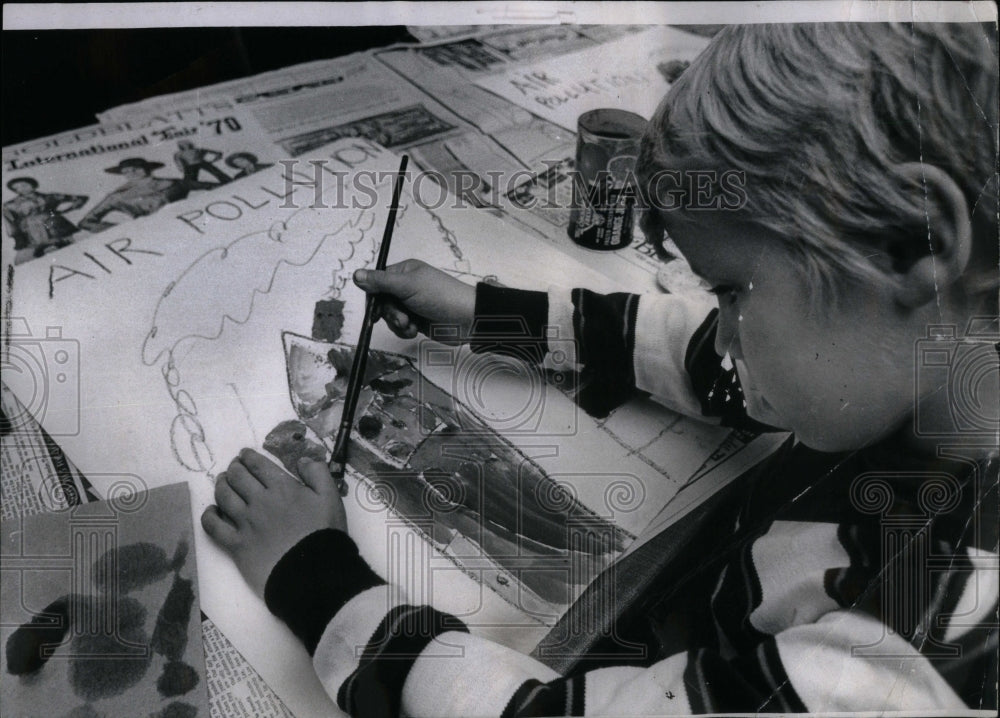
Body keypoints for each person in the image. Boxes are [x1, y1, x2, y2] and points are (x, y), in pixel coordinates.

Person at [202, 23, 998, 715]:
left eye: (729, 288)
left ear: (910, 244)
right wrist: (488, 315)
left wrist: (320, 585)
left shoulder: (896, 661)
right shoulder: (926, 362)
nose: (723, 333)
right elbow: (697, 353)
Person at [78, 158, 190, 233]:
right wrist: (125, 231)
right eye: (126, 171)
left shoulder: (174, 183)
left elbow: (207, 189)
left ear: (147, 169)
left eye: (137, 168)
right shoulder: (116, 196)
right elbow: (86, 222)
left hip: (188, 225)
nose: (132, 173)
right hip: (151, 234)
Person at [2, 177, 88, 261]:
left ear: (32, 185)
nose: (21, 189)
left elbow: (81, 199)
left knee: (69, 250)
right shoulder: (9, 205)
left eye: (24, 185)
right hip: (33, 231)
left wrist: (67, 210)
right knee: (42, 256)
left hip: (56, 226)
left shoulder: (50, 196)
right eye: (17, 188)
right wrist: (16, 236)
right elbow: (10, 223)